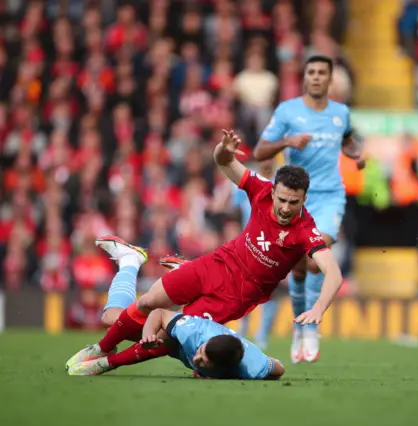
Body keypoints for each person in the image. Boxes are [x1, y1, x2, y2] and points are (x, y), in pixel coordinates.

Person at [65, 129, 343, 371]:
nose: (285, 208)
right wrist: (224, 149)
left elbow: (334, 273)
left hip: (236, 296)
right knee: (147, 303)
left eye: (293, 203)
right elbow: (224, 161)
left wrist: (319, 307)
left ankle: (107, 353)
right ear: (273, 192)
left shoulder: (306, 230)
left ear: (304, 199)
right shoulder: (260, 190)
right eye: (282, 199)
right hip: (217, 263)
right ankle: (102, 346)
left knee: (158, 335)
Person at [253, 55, 365, 363]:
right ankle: (298, 326)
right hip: (297, 198)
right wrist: (288, 140)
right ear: (305, 78)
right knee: (299, 269)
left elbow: (346, 141)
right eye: (311, 72)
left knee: (318, 258)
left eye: (321, 73)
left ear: (330, 80)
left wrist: (357, 156)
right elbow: (260, 150)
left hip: (330, 196)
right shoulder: (288, 111)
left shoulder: (341, 112)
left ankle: (312, 326)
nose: (316, 77)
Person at [67, 308, 285, 379]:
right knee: (112, 318)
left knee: (167, 343)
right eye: (200, 353)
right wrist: (147, 336)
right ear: (203, 344)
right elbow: (158, 313)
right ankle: (104, 353)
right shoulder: (193, 334)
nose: (197, 359)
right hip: (182, 323)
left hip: (187, 335)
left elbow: (279, 368)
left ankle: (107, 356)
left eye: (203, 362)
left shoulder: (252, 366)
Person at [233, 159, 280, 349]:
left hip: (273, 244)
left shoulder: (281, 182)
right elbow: (234, 210)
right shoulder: (249, 180)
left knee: (270, 290)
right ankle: (243, 328)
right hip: (249, 241)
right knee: (244, 287)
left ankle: (262, 333)